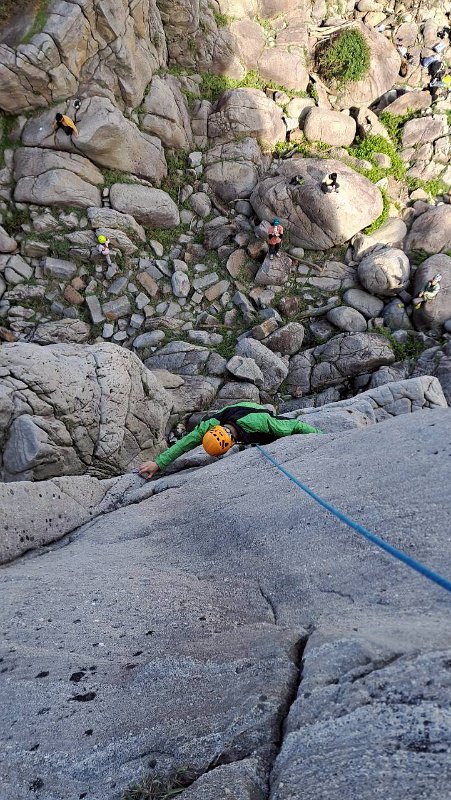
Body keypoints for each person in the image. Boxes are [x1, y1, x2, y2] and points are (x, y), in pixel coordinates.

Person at [138, 402, 324, 479]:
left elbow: (295, 425)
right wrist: (158, 463)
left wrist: (322, 437)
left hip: (255, 412)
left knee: (274, 434)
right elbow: (185, 443)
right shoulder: (208, 425)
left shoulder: (261, 423)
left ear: (231, 444)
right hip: (236, 411)